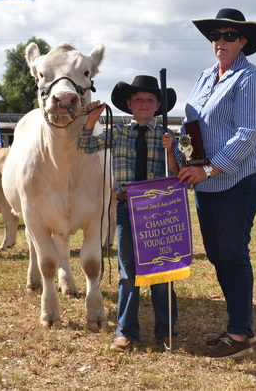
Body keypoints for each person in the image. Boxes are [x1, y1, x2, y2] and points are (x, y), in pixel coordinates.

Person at [176, 8, 256, 360]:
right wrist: (183, 156)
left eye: (229, 36)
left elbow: (247, 133)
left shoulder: (251, 78)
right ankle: (241, 324)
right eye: (216, 36)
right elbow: (192, 126)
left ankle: (238, 334)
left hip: (242, 174)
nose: (220, 41)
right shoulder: (205, 76)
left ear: (243, 41)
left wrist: (208, 169)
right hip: (205, 176)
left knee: (232, 251)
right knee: (217, 253)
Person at [77, 75, 179, 352]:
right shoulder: (118, 132)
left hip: (159, 210)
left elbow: (178, 173)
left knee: (161, 272)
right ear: (129, 104)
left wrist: (171, 151)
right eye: (138, 99)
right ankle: (126, 331)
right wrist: (91, 120)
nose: (144, 104)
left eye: (150, 99)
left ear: (158, 105)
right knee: (128, 274)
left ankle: (166, 331)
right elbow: (84, 146)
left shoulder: (169, 136)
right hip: (126, 207)